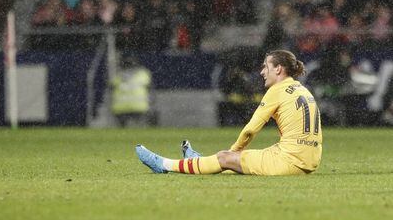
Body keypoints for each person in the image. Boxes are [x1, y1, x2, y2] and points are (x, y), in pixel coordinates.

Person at [136, 50, 323, 176]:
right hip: (309, 159)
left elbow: (250, 130)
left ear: (278, 69)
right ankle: (200, 161)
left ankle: (165, 165)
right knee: (234, 162)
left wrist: (230, 152)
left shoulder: (277, 90)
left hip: (290, 161)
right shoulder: (302, 90)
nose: (261, 72)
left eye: (266, 66)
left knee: (226, 158)